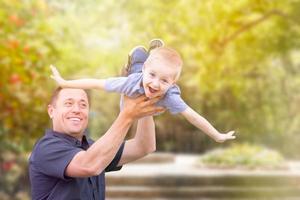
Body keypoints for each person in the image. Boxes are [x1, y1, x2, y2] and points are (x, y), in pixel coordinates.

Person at [50, 39, 236, 143]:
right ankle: (145, 54)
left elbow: (193, 116)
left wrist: (217, 135)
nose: (155, 84)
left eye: (164, 80)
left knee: (149, 74)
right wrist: (65, 83)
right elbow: (97, 83)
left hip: (145, 72)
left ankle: (155, 52)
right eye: (153, 75)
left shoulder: (171, 96)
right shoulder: (133, 81)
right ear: (148, 70)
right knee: (137, 59)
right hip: (138, 71)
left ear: (173, 83)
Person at [29, 86, 164, 200]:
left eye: (83, 105)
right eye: (68, 103)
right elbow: (89, 165)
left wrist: (145, 98)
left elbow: (144, 146)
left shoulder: (92, 148)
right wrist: (127, 115)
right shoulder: (46, 148)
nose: (77, 110)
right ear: (51, 111)